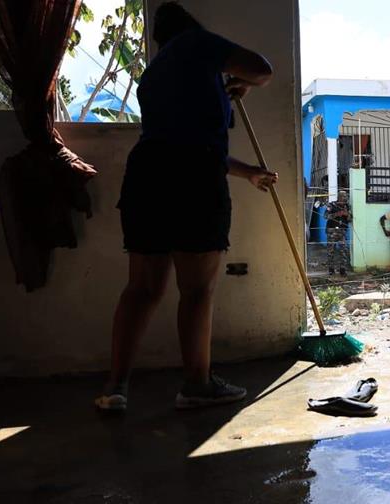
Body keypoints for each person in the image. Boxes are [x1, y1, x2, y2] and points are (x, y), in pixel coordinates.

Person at [95, 2, 277, 411]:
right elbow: (262, 69)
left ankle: (115, 388)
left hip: (147, 177)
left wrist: (249, 172)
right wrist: (244, 82)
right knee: (195, 290)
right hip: (194, 182)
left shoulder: (153, 75)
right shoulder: (197, 43)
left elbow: (181, 143)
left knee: (142, 289)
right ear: (191, 27)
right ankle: (197, 385)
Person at [325, 190, 351, 275]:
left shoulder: (347, 206)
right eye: (344, 196)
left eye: (346, 196)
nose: (345, 198)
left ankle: (342, 270)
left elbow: (350, 219)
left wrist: (347, 215)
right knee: (331, 251)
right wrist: (337, 214)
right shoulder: (331, 205)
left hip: (342, 231)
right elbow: (325, 216)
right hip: (332, 231)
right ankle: (331, 270)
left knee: (343, 251)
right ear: (339, 197)